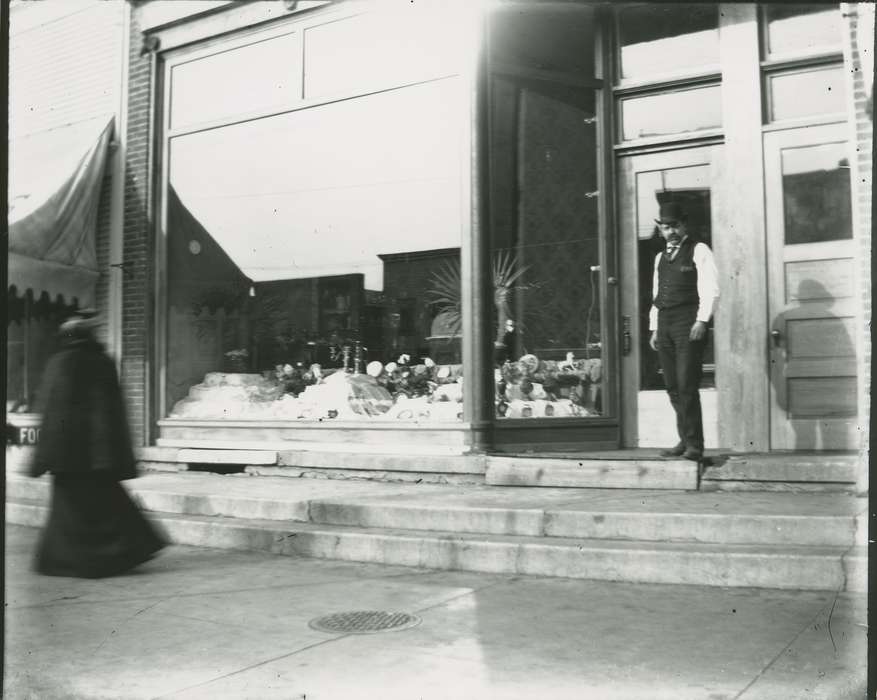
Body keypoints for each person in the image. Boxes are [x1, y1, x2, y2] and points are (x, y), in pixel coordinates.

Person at [29, 309, 166, 577]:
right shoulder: (103, 361)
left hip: (67, 456)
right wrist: (114, 455)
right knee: (106, 505)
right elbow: (113, 413)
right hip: (99, 456)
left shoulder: (60, 362)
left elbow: (50, 414)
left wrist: (43, 457)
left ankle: (71, 562)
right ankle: (115, 556)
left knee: (70, 512)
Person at [648, 201, 719, 461]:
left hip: (688, 324)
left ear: (684, 225)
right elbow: (657, 295)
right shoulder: (659, 258)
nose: (671, 231)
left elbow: (710, 289)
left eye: (675, 226)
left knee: (687, 385)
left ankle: (695, 446)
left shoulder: (699, 250)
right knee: (672, 387)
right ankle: (684, 438)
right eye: (666, 227)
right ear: (661, 230)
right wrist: (655, 327)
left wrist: (702, 321)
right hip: (665, 324)